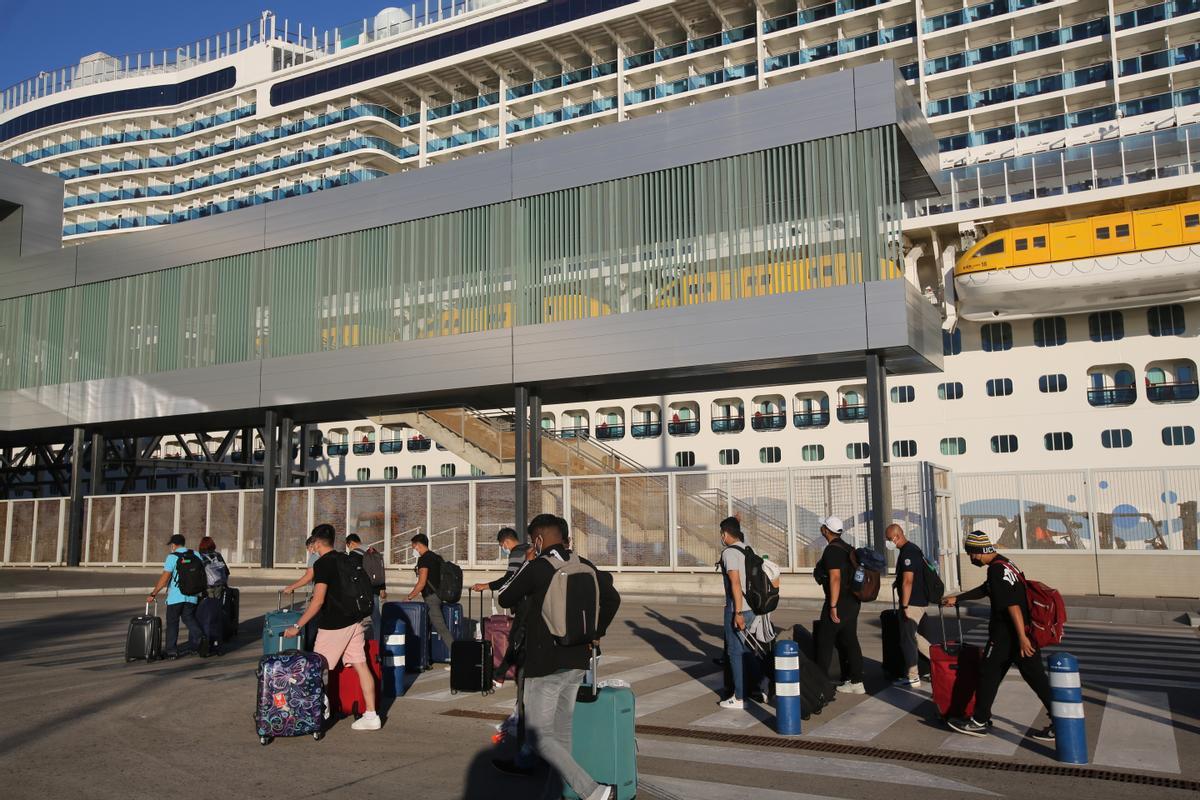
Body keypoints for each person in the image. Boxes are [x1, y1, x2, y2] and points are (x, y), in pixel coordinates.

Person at [496, 514, 621, 800]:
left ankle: (593, 791)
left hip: (544, 664)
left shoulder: (539, 567)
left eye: (533, 541)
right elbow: (613, 599)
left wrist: (526, 563)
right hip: (578, 660)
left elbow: (505, 598)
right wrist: (596, 632)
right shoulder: (584, 564)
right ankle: (559, 794)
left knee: (539, 737)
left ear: (538, 540)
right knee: (561, 737)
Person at [943, 531, 1055, 741]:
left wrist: (1021, 637)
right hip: (1020, 634)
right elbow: (987, 590)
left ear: (977, 552)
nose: (971, 558)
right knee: (1034, 678)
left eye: (970, 553)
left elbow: (1012, 605)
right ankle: (1061, 722)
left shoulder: (995, 570)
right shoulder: (1005, 564)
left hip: (1007, 635)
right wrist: (958, 599)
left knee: (988, 674)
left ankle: (979, 721)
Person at [283, 524, 381, 731]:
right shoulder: (345, 558)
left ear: (317, 542)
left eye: (313, 542)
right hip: (355, 620)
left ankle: (317, 707)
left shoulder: (322, 564)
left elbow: (317, 601)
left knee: (315, 668)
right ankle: (371, 715)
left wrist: (296, 626)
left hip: (334, 624)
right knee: (361, 666)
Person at [472, 527, 532, 688]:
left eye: (501, 546)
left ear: (505, 542)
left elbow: (510, 578)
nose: (503, 549)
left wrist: (486, 586)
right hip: (534, 602)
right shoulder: (529, 549)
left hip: (525, 603)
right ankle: (513, 674)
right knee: (524, 640)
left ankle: (500, 675)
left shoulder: (517, 552)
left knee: (515, 640)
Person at [715, 516, 763, 709]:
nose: (721, 537)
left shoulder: (729, 553)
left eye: (721, 533)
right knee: (749, 651)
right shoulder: (746, 549)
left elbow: (735, 582)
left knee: (735, 652)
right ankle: (757, 689)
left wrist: (737, 612)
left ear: (725, 534)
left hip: (738, 607)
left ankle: (739, 697)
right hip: (752, 607)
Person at [813, 516, 865, 694]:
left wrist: (833, 606)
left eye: (823, 526)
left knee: (824, 641)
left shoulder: (832, 551)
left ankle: (819, 685)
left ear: (826, 530)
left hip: (839, 602)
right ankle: (857, 682)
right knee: (850, 640)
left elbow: (835, 578)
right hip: (852, 601)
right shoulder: (847, 548)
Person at [146, 534, 207, 659]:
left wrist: (154, 593)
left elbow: (164, 579)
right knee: (189, 619)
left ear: (173, 545)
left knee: (172, 623)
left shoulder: (172, 557)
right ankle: (201, 638)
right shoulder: (196, 554)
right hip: (192, 596)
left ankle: (171, 651)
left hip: (176, 596)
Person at [886, 524, 932, 687]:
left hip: (912, 603)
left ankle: (913, 676)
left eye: (888, 539)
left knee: (908, 639)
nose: (888, 543)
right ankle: (936, 658)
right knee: (912, 637)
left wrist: (904, 606)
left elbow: (908, 580)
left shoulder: (908, 552)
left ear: (896, 537)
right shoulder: (912, 549)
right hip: (916, 600)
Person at [406, 533, 456, 655]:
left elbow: (421, 583)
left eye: (413, 547)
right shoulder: (436, 557)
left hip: (431, 598)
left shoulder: (424, 559)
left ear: (418, 545)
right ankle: (425, 657)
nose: (414, 551)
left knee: (441, 628)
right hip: (440, 595)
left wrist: (409, 597)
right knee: (426, 626)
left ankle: (457, 657)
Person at [345, 532, 386, 635]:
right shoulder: (372, 550)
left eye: (348, 546)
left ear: (352, 543)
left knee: (358, 616)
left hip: (362, 590)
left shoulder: (354, 554)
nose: (349, 548)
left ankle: (357, 640)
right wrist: (382, 588)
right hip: (375, 587)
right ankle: (379, 642)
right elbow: (380, 569)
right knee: (376, 616)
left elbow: (353, 573)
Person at [195, 536, 229, 655]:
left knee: (205, 615)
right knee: (216, 614)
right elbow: (226, 572)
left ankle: (206, 640)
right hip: (219, 587)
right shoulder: (217, 555)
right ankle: (217, 641)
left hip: (206, 588)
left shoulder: (199, 556)